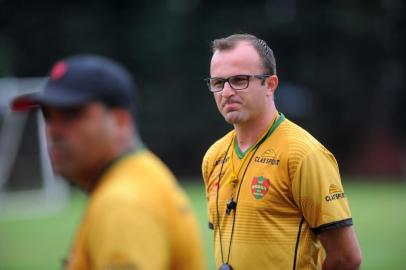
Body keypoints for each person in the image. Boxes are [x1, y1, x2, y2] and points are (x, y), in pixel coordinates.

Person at [11, 54, 205, 270]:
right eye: (47, 116)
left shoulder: (123, 204)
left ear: (121, 122)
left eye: (71, 114)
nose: (53, 131)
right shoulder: (139, 176)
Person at [202, 34, 362, 270]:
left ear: (270, 84)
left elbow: (346, 258)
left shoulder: (303, 155)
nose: (226, 92)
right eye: (218, 83)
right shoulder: (214, 157)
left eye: (239, 80)